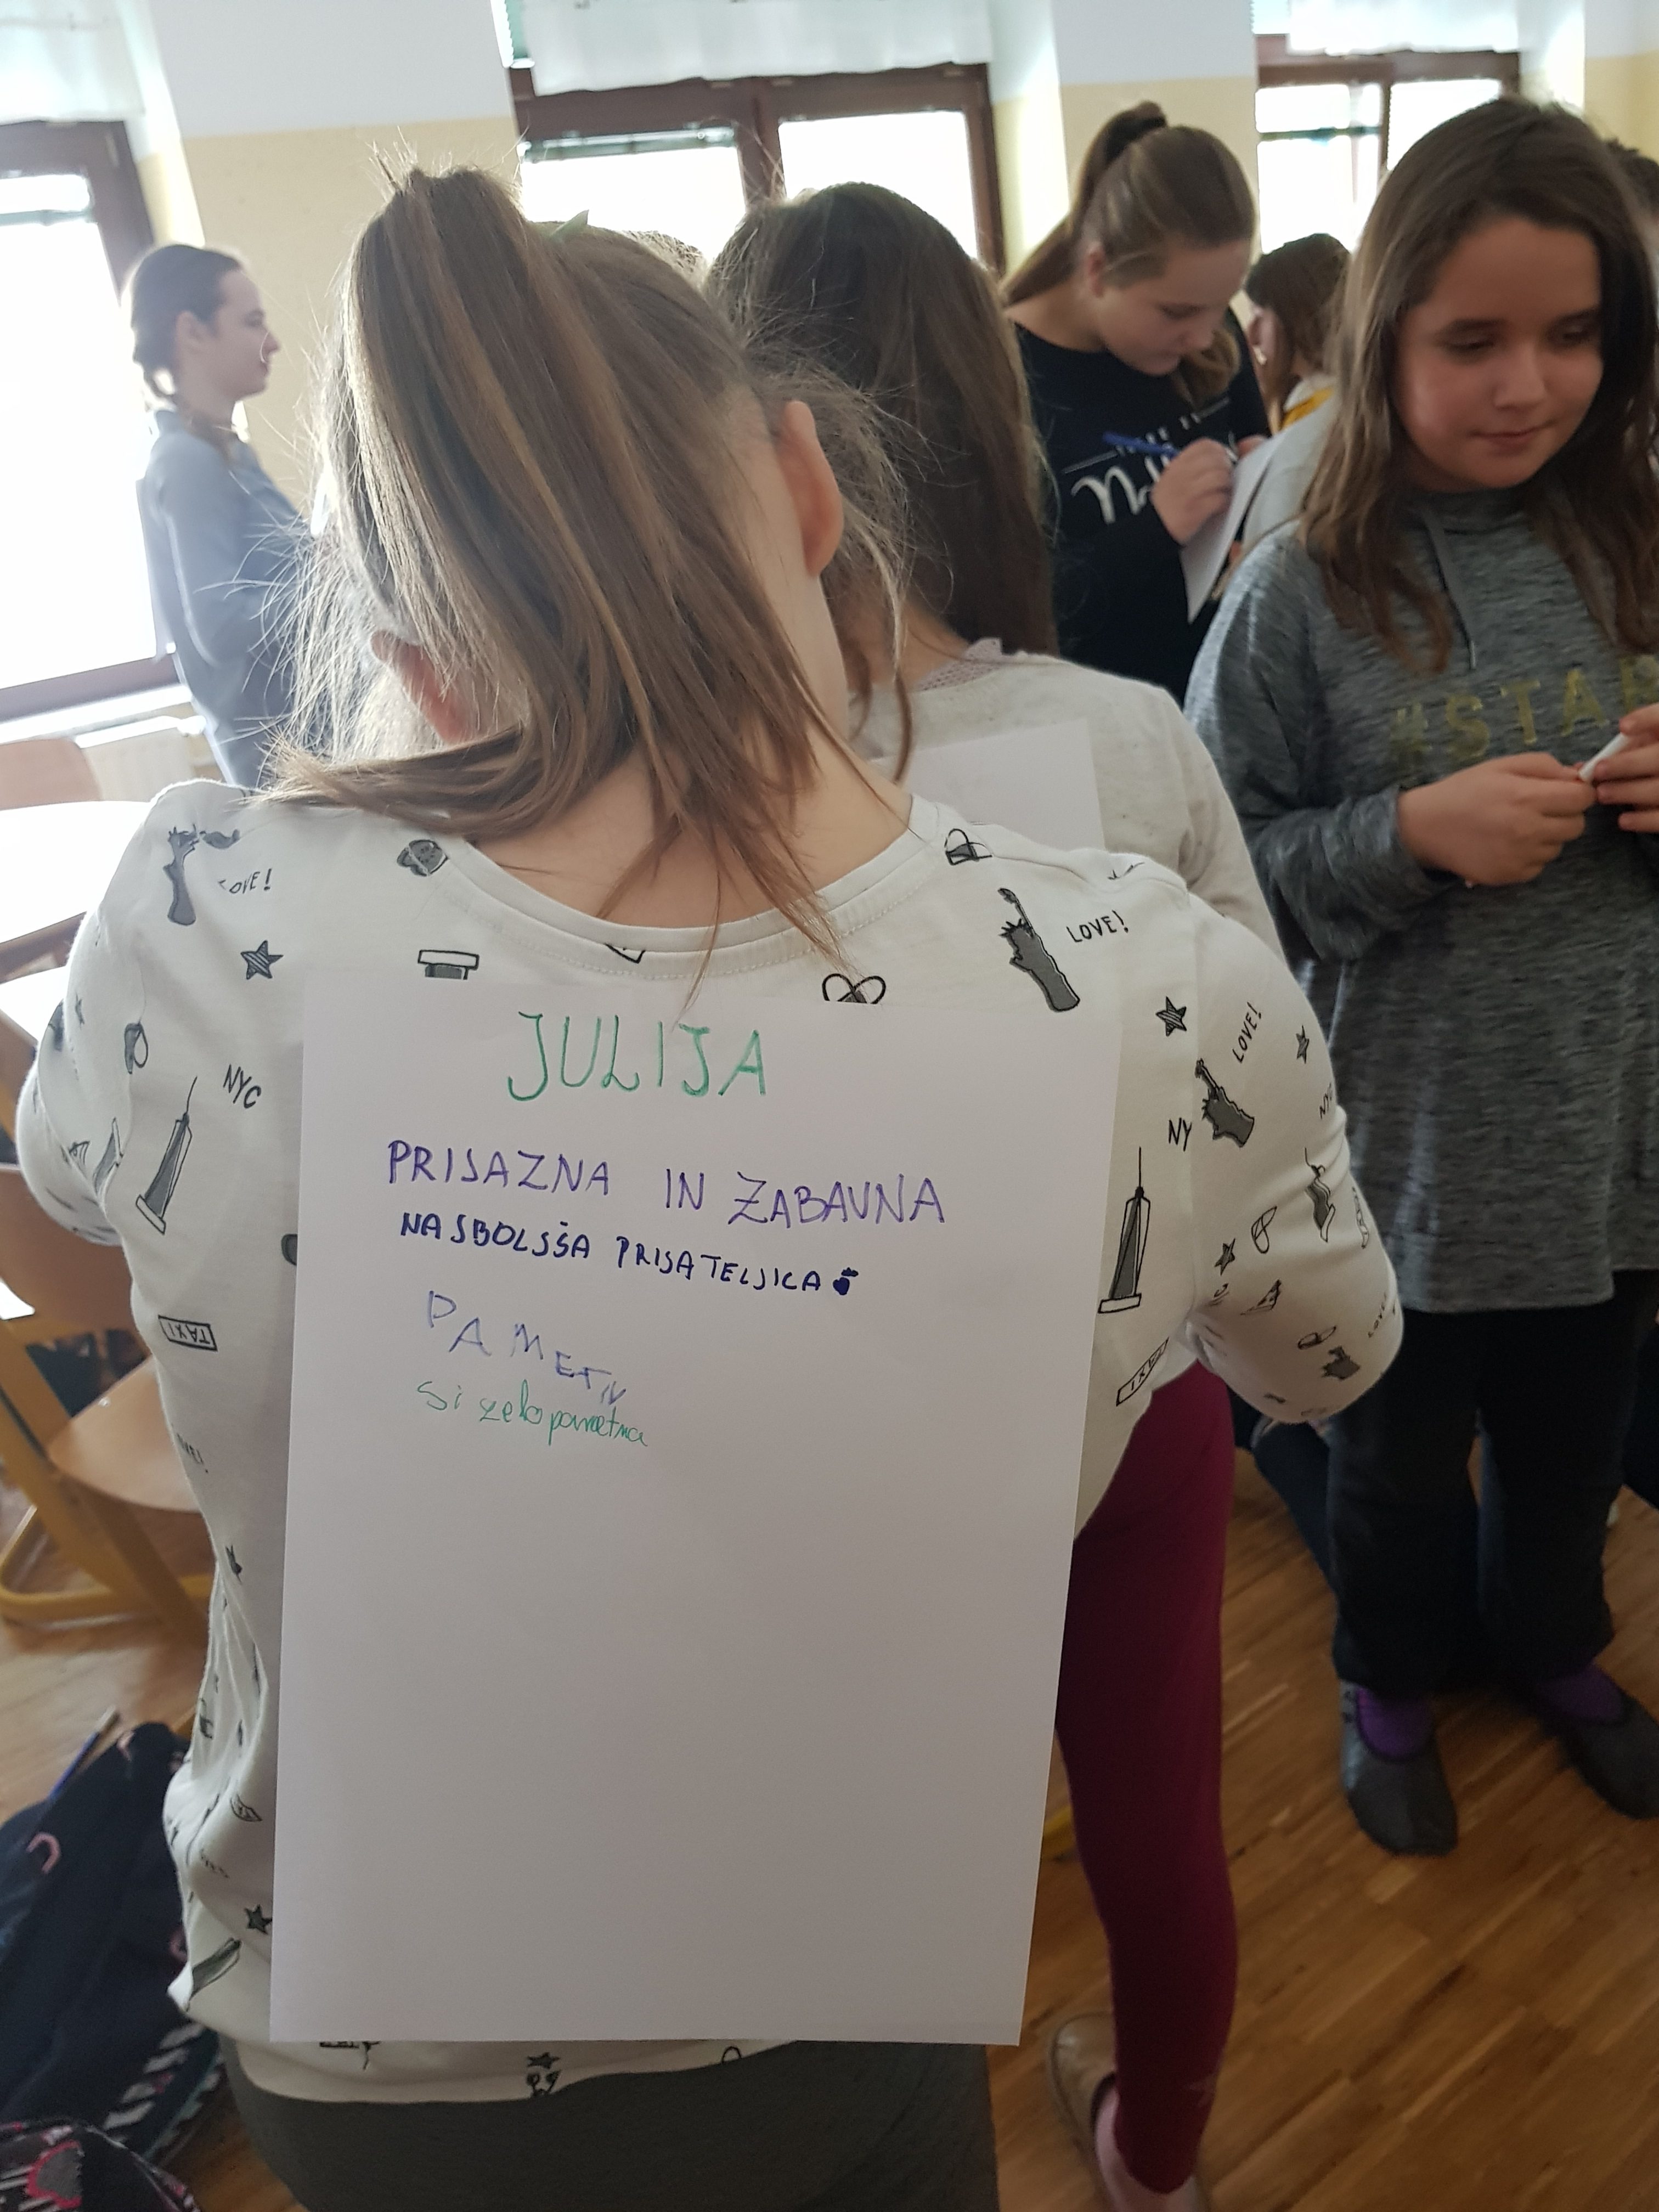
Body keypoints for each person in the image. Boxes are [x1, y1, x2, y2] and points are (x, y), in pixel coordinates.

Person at [19, 170, 1396, 2212]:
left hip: (352, 2027)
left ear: (410, 658)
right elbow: (1329, 1354)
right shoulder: (1138, 976)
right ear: (810, 489)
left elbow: (69, 1200)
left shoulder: (198, 903)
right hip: (819, 1974)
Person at [709, 179, 1283, 2210]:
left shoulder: (685, 780)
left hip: (825, 1422)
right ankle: (1160, 2156)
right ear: (987, 417)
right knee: (1155, 1817)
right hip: (1124, 1388)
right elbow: (1254, 1105)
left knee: (847, 1830)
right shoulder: (1118, 739)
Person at [1187, 98, 1659, 1860]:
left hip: (1613, 1137)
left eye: (1574, 334)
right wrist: (1402, 836)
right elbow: (1213, 886)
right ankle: (1385, 1681)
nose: (1529, 385)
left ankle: (1554, 1645)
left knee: (1575, 1450)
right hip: (1402, 1154)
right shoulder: (1301, 593)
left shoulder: (1638, 542)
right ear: (1384, 337)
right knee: (1391, 1468)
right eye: (1474, 342)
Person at [1004, 104, 1268, 701]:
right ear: (1098, 269)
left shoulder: (1207, 324)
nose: (1203, 337)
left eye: (1223, 305)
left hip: (1228, 692)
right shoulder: (1005, 377)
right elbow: (1009, 610)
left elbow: (1256, 445)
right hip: (1102, 713)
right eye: (1176, 313)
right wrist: (1155, 528)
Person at [129, 243, 304, 788]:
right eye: (252, 323)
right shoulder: (188, 462)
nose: (272, 342)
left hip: (309, 752)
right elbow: (220, 628)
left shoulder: (226, 453)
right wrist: (334, 586)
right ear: (192, 332)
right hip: (286, 770)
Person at [1236, 232, 1348, 555]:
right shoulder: (1319, 398)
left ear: (1295, 319)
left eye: (1259, 317)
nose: (1251, 337)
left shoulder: (1320, 416)